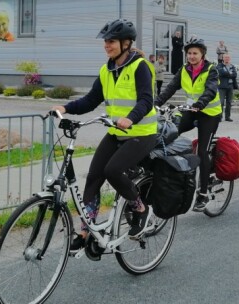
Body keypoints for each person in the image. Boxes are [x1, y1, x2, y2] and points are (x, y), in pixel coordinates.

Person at [51, 19, 158, 251]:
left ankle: (140, 208)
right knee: (94, 176)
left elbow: (146, 100)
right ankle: (86, 229)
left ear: (126, 43)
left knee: (112, 170)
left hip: (141, 132)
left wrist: (130, 118)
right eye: (105, 42)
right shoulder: (106, 69)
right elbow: (91, 100)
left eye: (111, 41)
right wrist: (65, 108)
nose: (106, 45)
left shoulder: (140, 66)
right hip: (116, 132)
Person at [155, 36, 222, 212]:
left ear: (203, 54)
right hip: (191, 111)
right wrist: (155, 103)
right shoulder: (184, 70)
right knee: (170, 134)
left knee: (202, 151)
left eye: (195, 53)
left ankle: (203, 193)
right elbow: (170, 89)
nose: (192, 56)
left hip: (209, 114)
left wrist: (201, 103)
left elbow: (211, 89)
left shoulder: (211, 70)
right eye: (189, 53)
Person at [216, 53, 238, 122]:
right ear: (223, 58)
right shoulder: (219, 66)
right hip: (222, 86)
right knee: (221, 102)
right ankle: (219, 117)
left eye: (228, 57)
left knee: (229, 102)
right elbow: (222, 73)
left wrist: (228, 74)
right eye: (225, 57)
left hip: (230, 86)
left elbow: (235, 74)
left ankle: (227, 117)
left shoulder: (232, 66)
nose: (227, 59)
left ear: (230, 58)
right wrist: (230, 74)